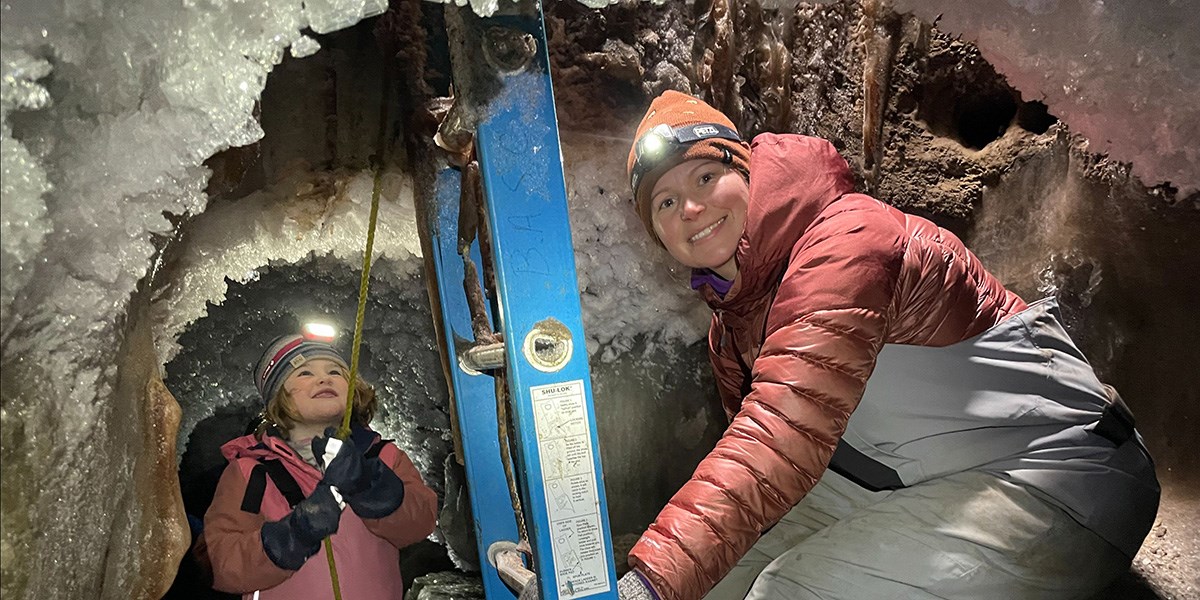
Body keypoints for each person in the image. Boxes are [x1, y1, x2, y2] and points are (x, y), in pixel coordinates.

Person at [619, 90, 1160, 600]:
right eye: (665, 202)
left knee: (791, 590)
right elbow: (760, 479)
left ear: (747, 170)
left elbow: (779, 439)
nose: (689, 208)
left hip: (1062, 475)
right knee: (714, 582)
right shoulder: (731, 325)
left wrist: (650, 583)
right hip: (909, 479)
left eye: (706, 176)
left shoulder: (847, 240)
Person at [204, 331, 438, 600]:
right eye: (304, 373)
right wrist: (294, 534)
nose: (324, 378)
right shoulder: (251, 471)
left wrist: (370, 486)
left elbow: (420, 523)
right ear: (277, 399)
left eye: (336, 372)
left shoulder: (383, 457)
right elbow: (221, 562)